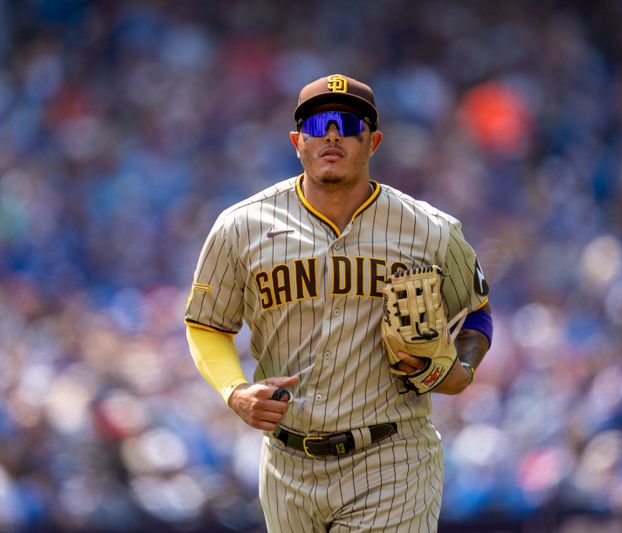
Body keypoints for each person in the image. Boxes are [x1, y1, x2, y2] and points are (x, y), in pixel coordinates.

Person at [184, 74, 493, 532]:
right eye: (317, 123)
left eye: (349, 123)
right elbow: (208, 324)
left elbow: (476, 311)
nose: (332, 134)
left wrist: (461, 370)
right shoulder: (242, 227)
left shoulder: (430, 230)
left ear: (373, 142)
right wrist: (235, 391)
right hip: (287, 465)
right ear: (297, 141)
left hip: (390, 457)